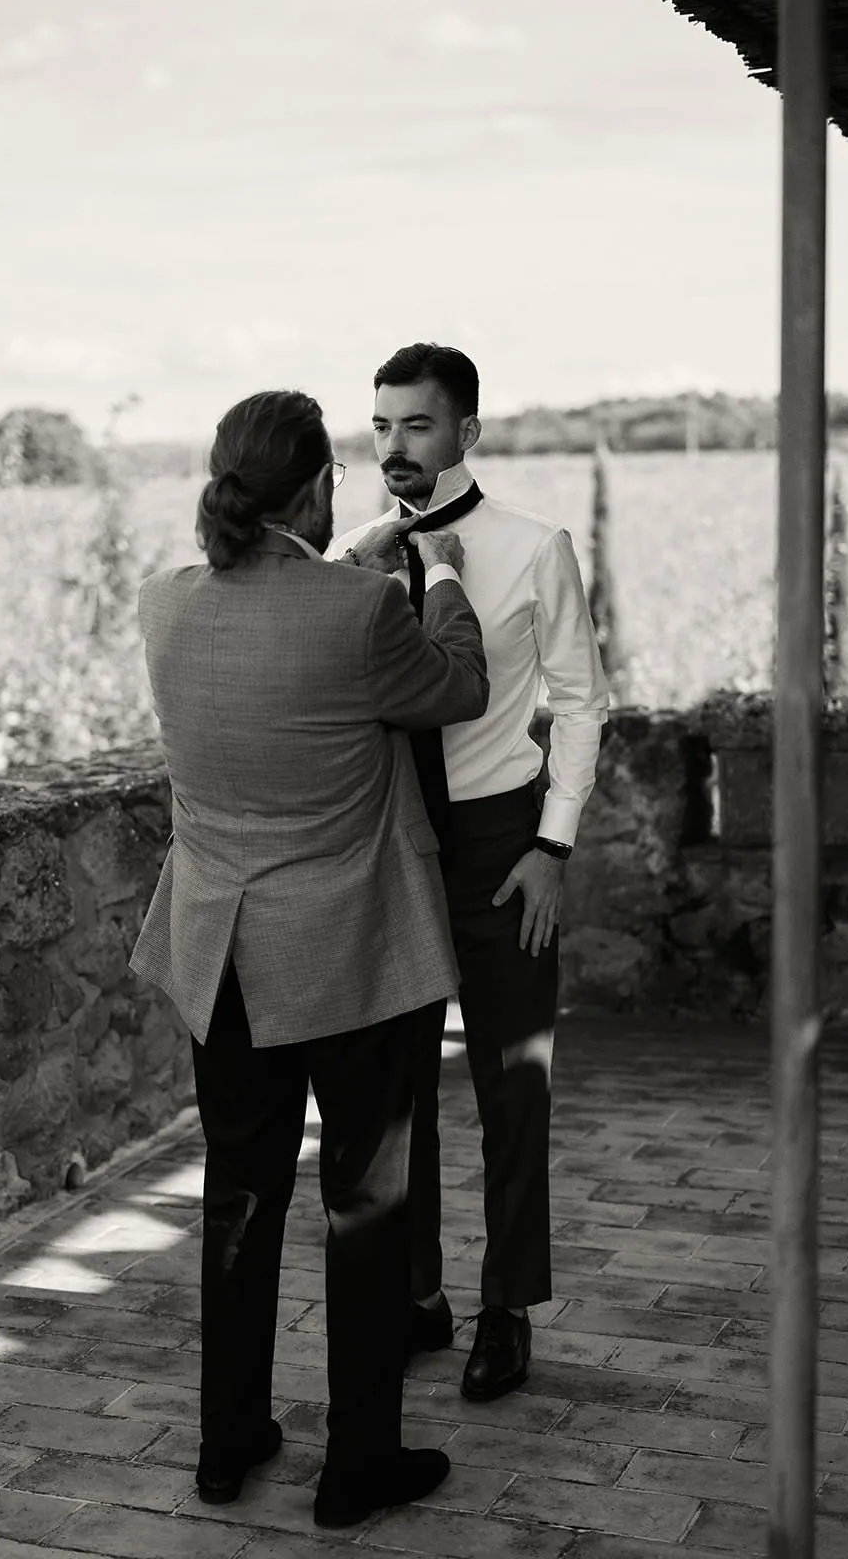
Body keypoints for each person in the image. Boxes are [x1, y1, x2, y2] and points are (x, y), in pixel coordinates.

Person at [128, 389, 488, 1529]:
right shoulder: (362, 610)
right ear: (319, 486)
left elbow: (279, 619)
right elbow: (455, 685)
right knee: (363, 1207)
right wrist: (440, 581)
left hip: (220, 955)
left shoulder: (164, 605)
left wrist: (351, 563)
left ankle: (227, 1440)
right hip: (348, 956)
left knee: (238, 1199)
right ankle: (357, 1464)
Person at [328, 344, 609, 1403]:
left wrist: (552, 845)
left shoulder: (536, 549)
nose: (394, 445)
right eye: (381, 426)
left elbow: (579, 704)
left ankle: (504, 1306)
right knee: (397, 1095)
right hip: (393, 847)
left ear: (466, 433)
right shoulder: (351, 558)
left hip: (502, 847)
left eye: (416, 425)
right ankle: (417, 1298)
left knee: (512, 1086)